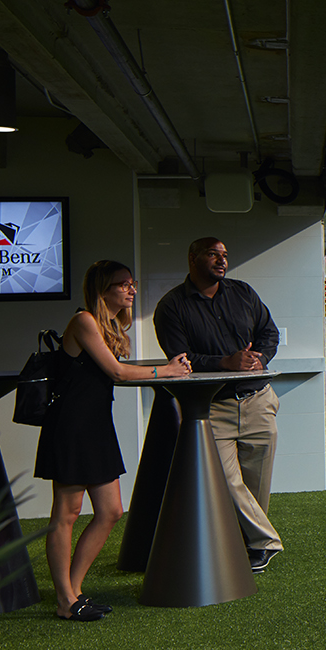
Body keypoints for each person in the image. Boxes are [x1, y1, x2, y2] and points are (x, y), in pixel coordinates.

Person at [39, 261, 192, 621]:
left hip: (95, 426)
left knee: (110, 511)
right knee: (67, 513)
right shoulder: (84, 321)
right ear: (102, 289)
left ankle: (72, 593)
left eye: (132, 284)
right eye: (123, 284)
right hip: (72, 427)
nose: (131, 290)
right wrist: (166, 371)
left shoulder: (109, 327)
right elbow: (117, 372)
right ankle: (66, 600)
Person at [154, 238, 284, 573]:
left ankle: (248, 547)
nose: (221, 260)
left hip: (258, 400)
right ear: (192, 257)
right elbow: (180, 360)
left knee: (256, 486)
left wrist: (259, 357)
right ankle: (265, 541)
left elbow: (269, 333)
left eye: (225, 255)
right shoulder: (171, 306)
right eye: (213, 254)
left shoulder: (243, 293)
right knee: (226, 481)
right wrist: (225, 362)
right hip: (213, 407)